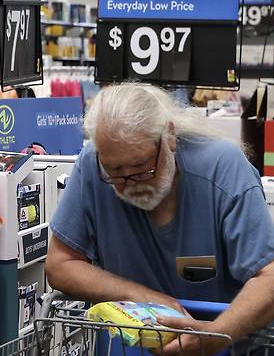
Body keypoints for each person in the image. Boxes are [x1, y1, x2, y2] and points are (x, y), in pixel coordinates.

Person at [45, 83, 274, 355]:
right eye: (115, 172)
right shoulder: (92, 165)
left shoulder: (223, 169)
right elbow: (60, 264)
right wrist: (139, 295)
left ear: (170, 136)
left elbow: (268, 278)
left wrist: (214, 336)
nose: (131, 183)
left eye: (142, 167)